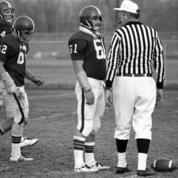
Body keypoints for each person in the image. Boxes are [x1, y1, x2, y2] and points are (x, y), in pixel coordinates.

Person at [105, 0, 165, 176]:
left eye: (120, 14)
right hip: (146, 82)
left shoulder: (119, 34)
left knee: (122, 124)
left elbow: (112, 61)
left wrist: (108, 86)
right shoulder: (152, 33)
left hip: (124, 81)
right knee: (143, 124)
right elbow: (159, 61)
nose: (119, 16)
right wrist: (159, 85)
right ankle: (141, 166)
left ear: (126, 14)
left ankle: (121, 163)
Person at [0, 0, 38, 159]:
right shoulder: (6, 29)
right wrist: (6, 78)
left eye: (12, 11)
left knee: (14, 115)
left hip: (2, 70)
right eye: (7, 11)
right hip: (5, 73)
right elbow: (1, 59)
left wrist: (32, 78)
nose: (11, 13)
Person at [0, 15, 43, 162]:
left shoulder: (23, 44)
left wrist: (33, 78)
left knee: (22, 116)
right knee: (20, 117)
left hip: (18, 83)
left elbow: (21, 66)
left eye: (30, 33)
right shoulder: (7, 41)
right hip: (11, 84)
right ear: (18, 30)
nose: (29, 36)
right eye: (26, 32)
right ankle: (15, 155)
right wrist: (9, 84)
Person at [68, 5, 110, 173]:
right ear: (86, 19)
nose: (98, 21)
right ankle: (79, 164)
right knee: (85, 125)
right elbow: (78, 68)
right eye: (95, 18)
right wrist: (86, 88)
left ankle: (90, 162)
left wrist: (107, 87)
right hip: (89, 83)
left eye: (99, 18)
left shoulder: (96, 36)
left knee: (94, 126)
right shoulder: (78, 37)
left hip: (100, 83)